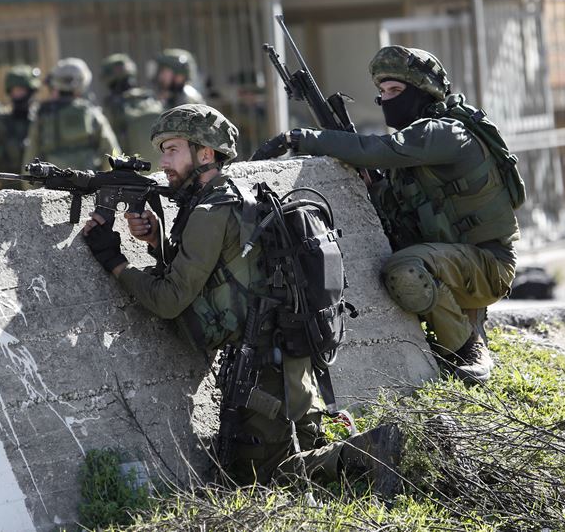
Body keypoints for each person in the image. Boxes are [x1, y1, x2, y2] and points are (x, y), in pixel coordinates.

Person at [82, 103, 401, 494]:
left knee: (257, 483)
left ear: (204, 153)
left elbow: (168, 301)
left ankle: (368, 450)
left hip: (263, 372)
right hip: (291, 364)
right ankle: (350, 455)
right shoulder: (237, 196)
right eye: (162, 150)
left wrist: (112, 259)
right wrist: (154, 242)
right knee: (295, 460)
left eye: (172, 149)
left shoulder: (209, 211)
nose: (162, 161)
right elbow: (223, 273)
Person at [252, 45, 520, 384]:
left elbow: (374, 150)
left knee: (403, 271)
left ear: (424, 91)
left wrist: (299, 138)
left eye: (395, 90)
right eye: (382, 92)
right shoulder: (414, 152)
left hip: (486, 266)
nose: (386, 100)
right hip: (454, 260)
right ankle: (459, 331)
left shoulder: (445, 133)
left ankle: (465, 348)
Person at [25, 58, 120, 171]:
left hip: (51, 187)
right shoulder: (92, 113)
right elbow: (112, 153)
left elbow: (30, 159)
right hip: (90, 185)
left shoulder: (43, 116)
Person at [0, 65, 41, 192]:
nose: (18, 95)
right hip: (7, 191)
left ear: (30, 91)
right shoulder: (0, 123)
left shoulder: (39, 120)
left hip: (38, 190)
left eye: (21, 90)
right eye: (15, 91)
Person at [100, 53, 164, 168]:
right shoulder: (151, 99)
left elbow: (108, 147)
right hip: (161, 171)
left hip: (133, 175)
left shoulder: (113, 107)